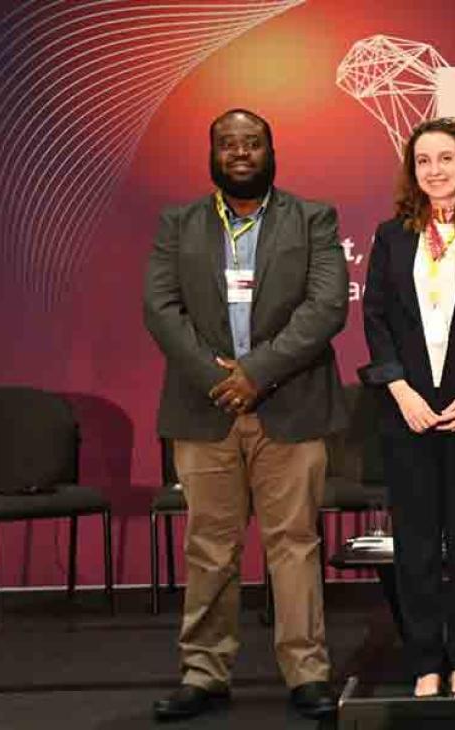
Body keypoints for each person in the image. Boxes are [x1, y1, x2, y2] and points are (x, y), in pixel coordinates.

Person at [143, 109, 347, 721]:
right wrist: (220, 380)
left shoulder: (312, 218)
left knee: (294, 545)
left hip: (291, 405)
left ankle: (307, 673)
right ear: (212, 153)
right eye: (228, 143)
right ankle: (203, 673)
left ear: (270, 150)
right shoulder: (178, 223)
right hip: (204, 410)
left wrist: (256, 372)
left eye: (251, 143)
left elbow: (326, 306)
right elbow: (160, 308)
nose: (239, 152)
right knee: (209, 547)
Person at [360, 117, 455, 698]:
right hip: (408, 412)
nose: (435, 170)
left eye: (445, 158)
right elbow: (375, 317)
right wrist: (399, 390)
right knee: (417, 547)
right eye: (423, 160)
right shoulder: (391, 236)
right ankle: (426, 660)